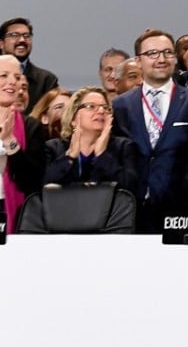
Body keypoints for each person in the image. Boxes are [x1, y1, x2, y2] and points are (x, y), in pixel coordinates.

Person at [112, 29, 188, 230]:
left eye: (167, 52)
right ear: (138, 61)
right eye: (152, 54)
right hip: (130, 212)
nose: (161, 59)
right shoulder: (120, 106)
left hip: (180, 210)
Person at [42, 87, 140, 196]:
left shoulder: (123, 146)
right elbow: (44, 184)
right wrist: (70, 156)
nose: (101, 111)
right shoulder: (54, 147)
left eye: (105, 108)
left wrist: (102, 155)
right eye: (91, 106)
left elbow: (131, 188)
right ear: (73, 118)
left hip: (108, 212)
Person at [0, 54, 46, 229]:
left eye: (17, 77)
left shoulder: (30, 127)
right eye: (4, 76)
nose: (12, 81)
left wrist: (10, 141)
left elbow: (32, 181)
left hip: (15, 215)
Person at [1, 17, 59, 109]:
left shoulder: (46, 80)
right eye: (15, 35)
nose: (22, 40)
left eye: (26, 36)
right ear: (1, 43)